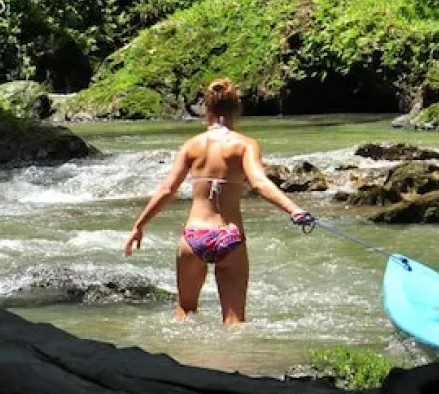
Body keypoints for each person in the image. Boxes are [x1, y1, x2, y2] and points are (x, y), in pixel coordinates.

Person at [122, 78, 313, 324]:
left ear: (207, 109)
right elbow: (259, 183)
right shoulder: (245, 145)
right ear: (237, 110)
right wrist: (295, 210)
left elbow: (167, 189)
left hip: (193, 236)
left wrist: (138, 226)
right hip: (228, 235)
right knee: (235, 322)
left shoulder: (191, 145)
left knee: (185, 313)